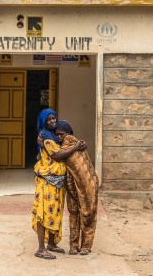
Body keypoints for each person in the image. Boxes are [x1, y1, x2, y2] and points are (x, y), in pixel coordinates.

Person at [32, 109, 86, 260]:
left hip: (57, 181)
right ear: (43, 121)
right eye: (48, 119)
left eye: (53, 118)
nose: (52, 121)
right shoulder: (46, 138)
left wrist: (77, 144)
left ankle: (51, 244)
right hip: (46, 180)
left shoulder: (55, 137)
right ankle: (41, 249)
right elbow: (56, 155)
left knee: (55, 211)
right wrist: (75, 147)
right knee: (43, 212)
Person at [54, 120, 99, 255]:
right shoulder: (68, 144)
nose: (59, 137)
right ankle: (74, 245)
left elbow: (58, 156)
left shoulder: (70, 140)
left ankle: (86, 245)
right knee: (74, 213)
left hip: (86, 184)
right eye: (56, 135)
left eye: (61, 134)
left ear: (68, 133)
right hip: (72, 183)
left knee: (87, 213)